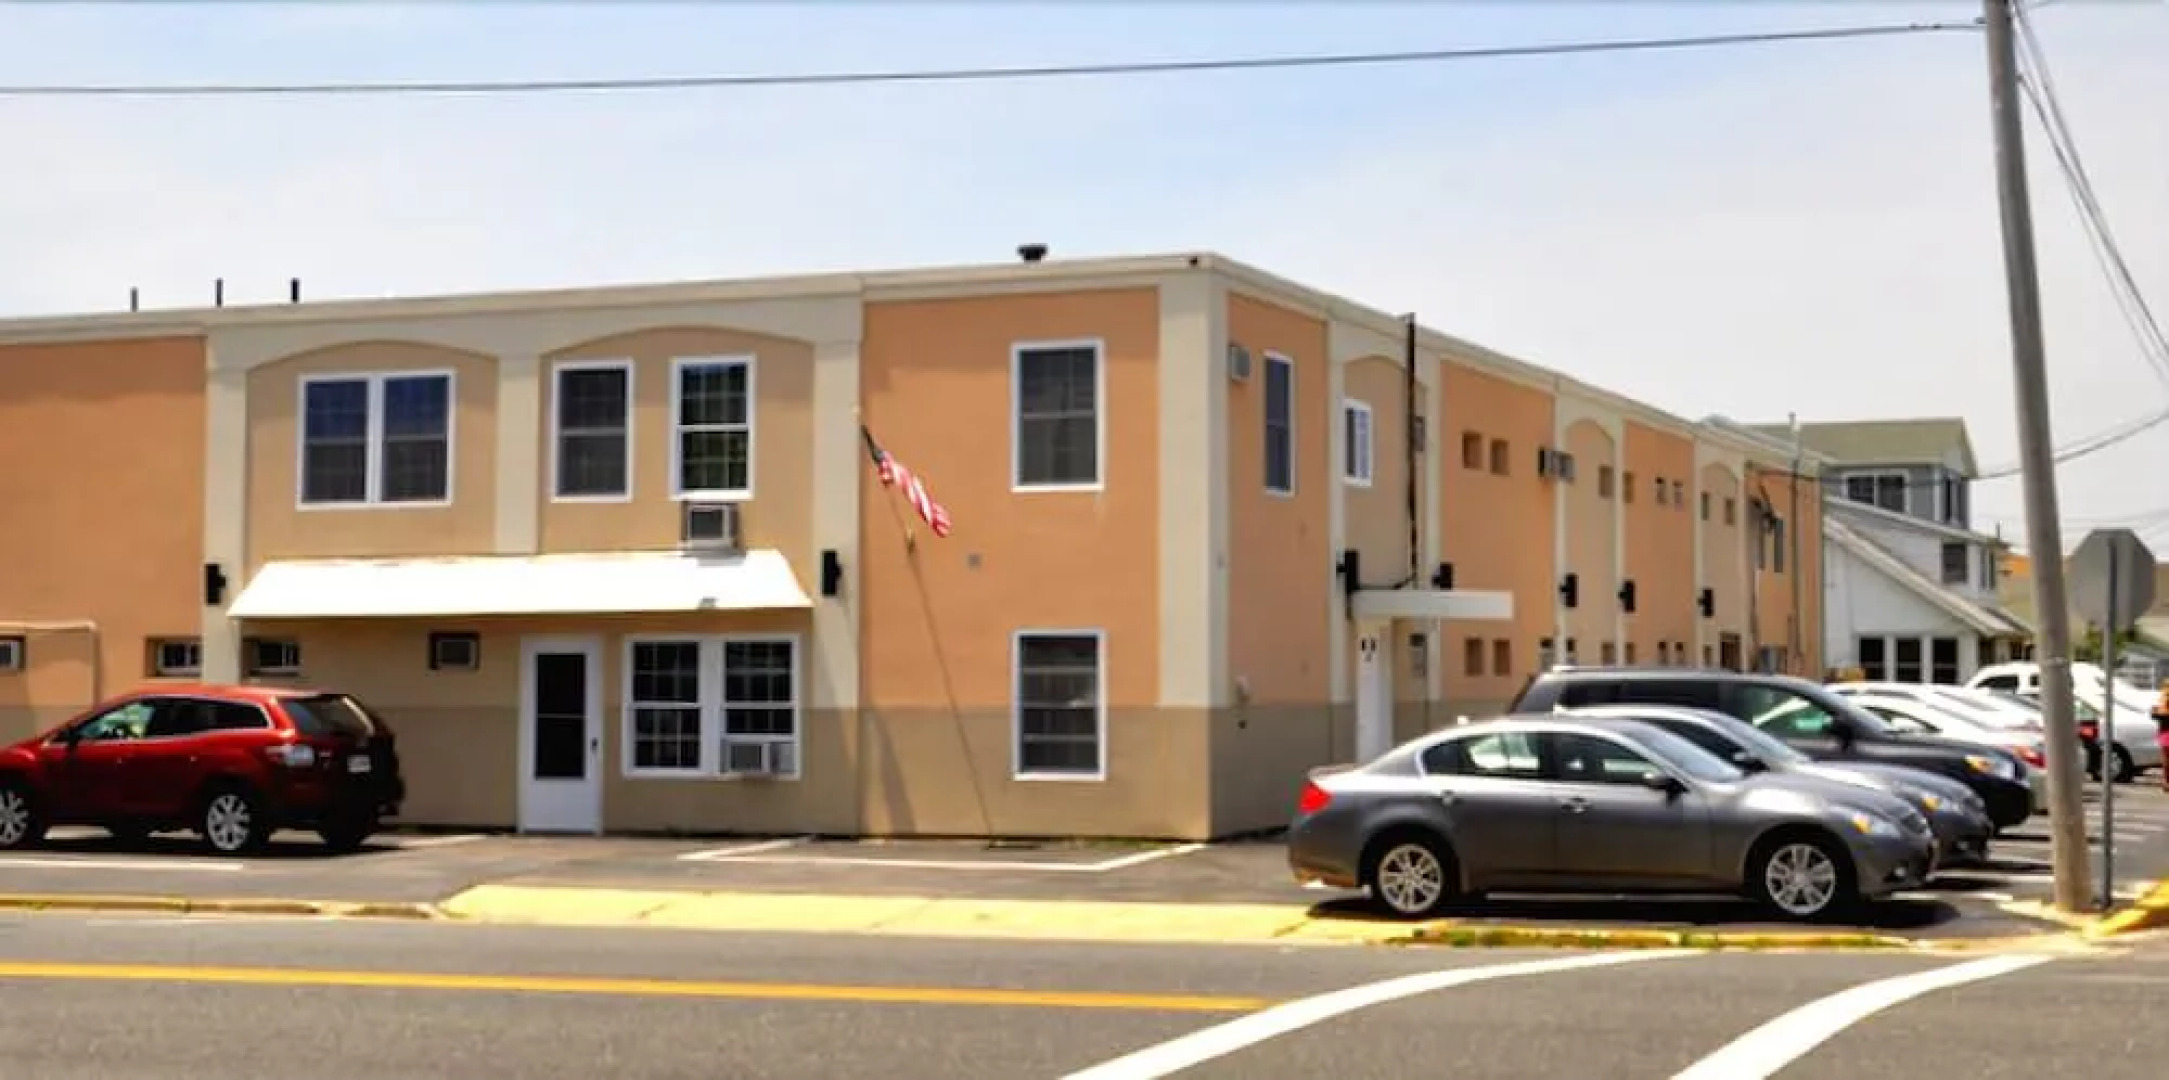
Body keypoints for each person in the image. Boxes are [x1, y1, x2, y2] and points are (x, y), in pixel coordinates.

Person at [2154, 680, 2169, 793]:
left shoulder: (2163, 697)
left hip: (2164, 729)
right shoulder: (2164, 697)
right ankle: (2166, 782)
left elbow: (2158, 713)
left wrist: (2156, 713)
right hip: (2165, 729)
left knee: (2166, 756)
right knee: (2166, 756)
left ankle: (2166, 782)